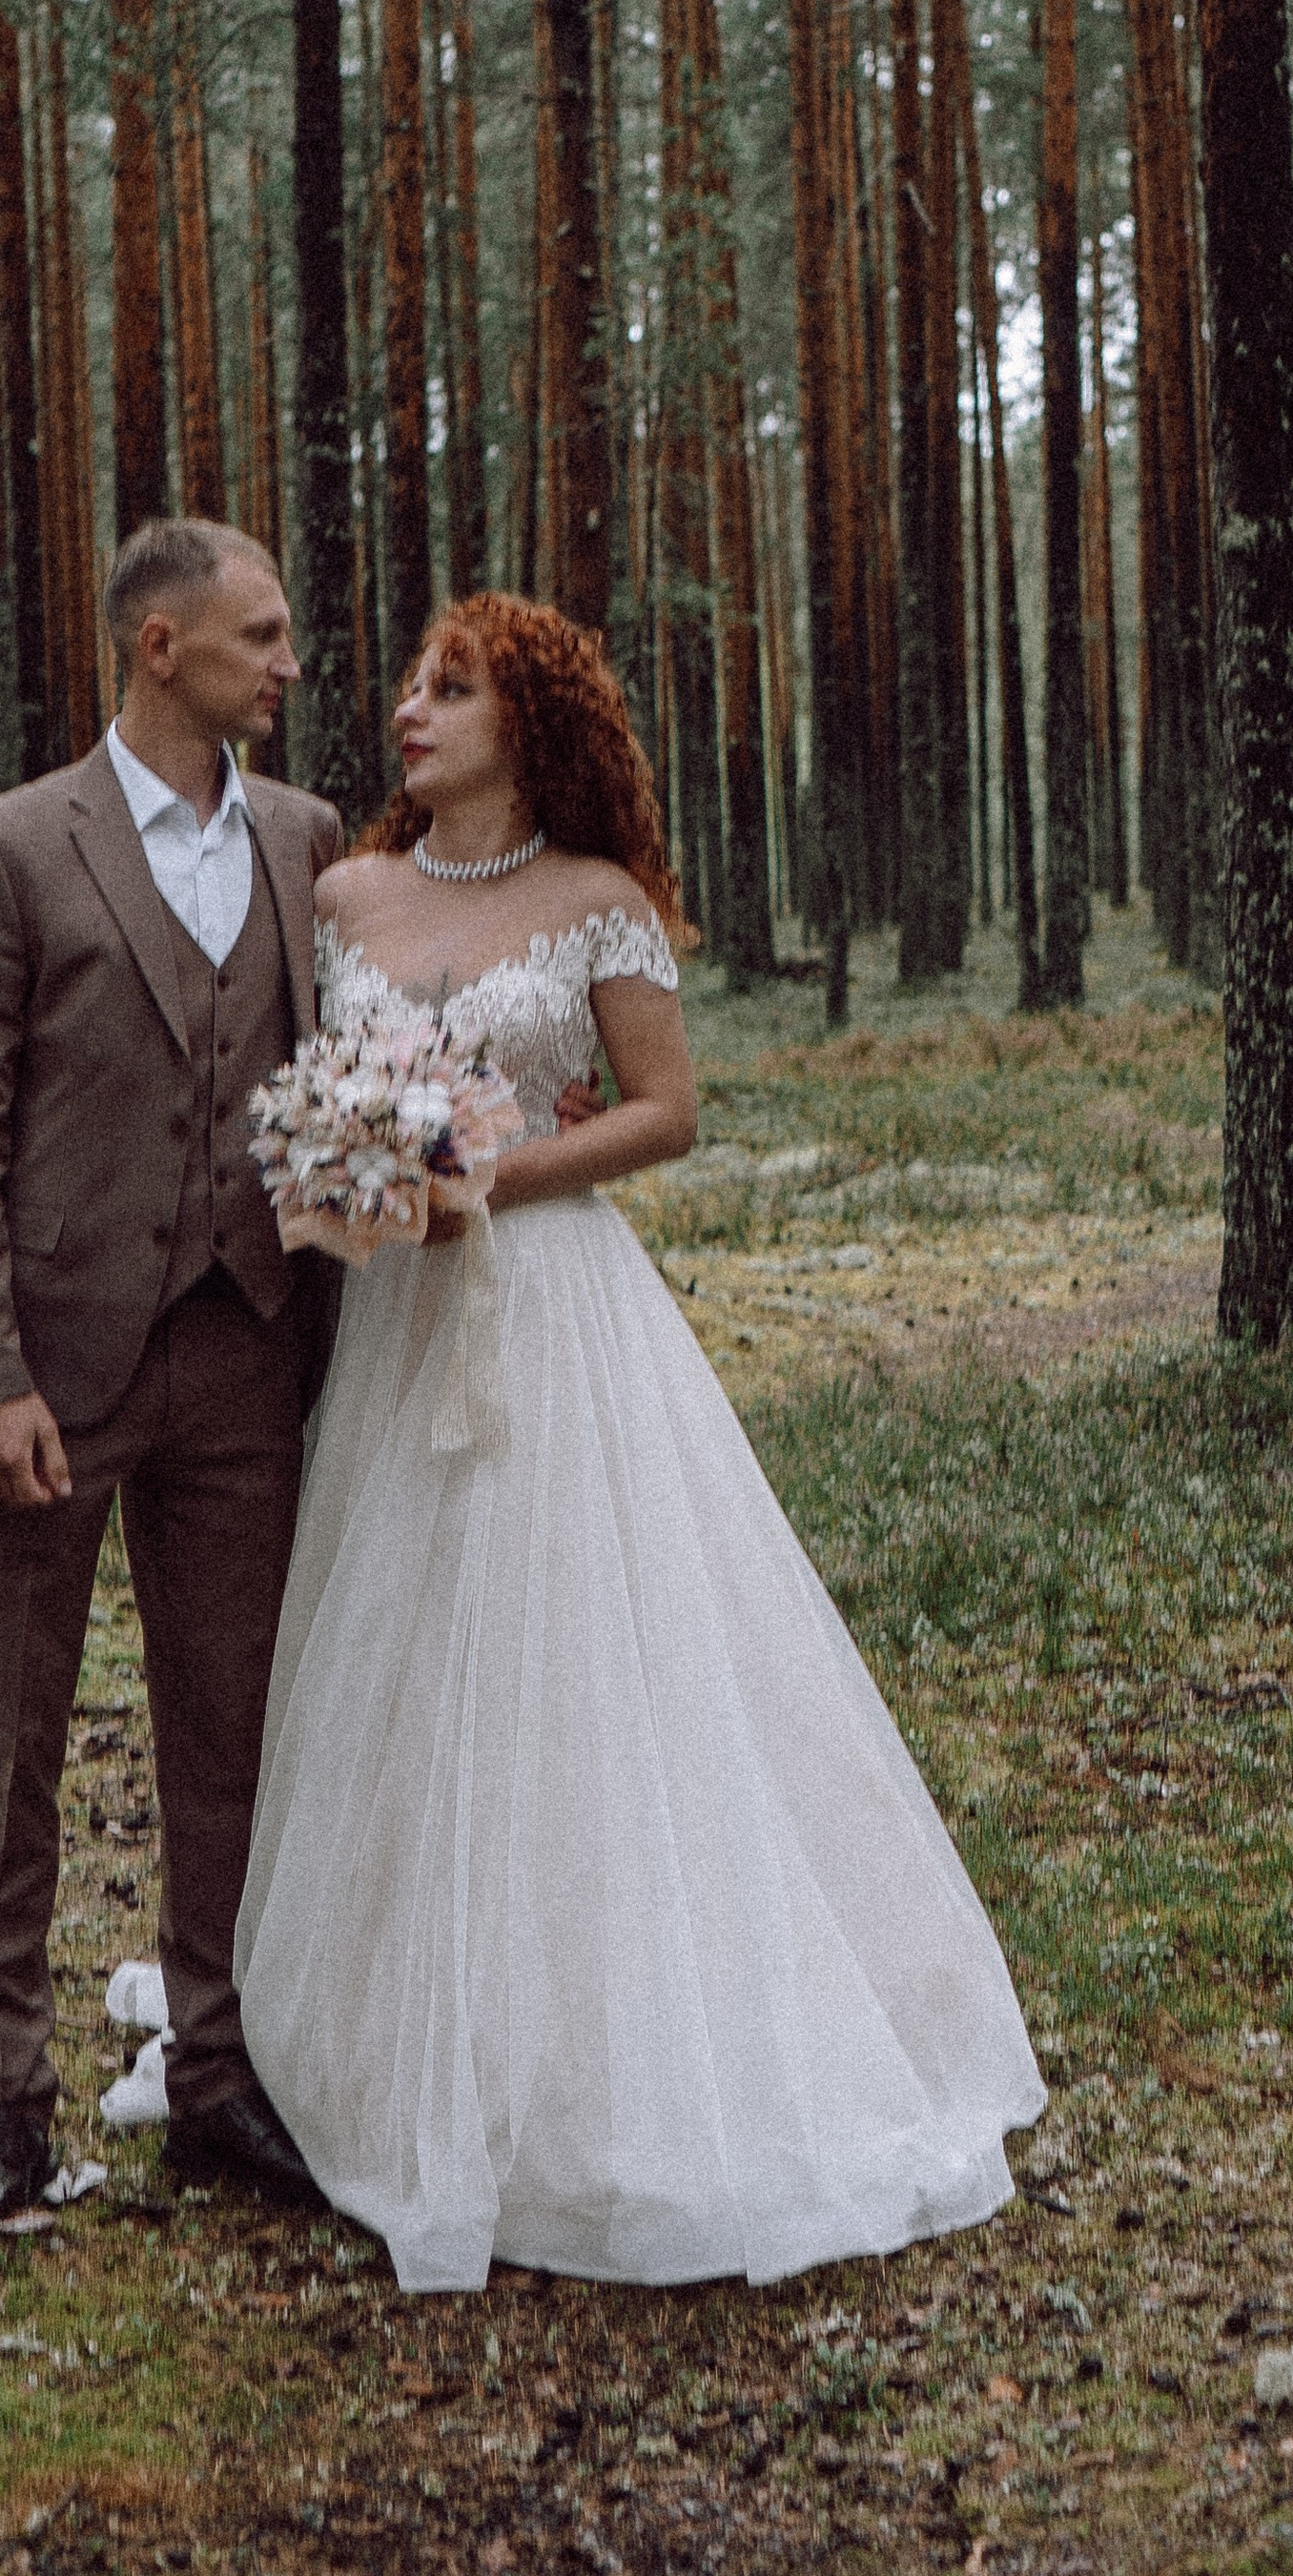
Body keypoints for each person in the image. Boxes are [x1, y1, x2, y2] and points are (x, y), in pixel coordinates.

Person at [232, 591, 1045, 2290]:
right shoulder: (345, 896)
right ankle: (382, 2030)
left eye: (454, 688)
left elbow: (669, 1112)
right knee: (396, 1649)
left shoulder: (601, 904)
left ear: (529, 724)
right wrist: (359, 1165)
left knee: (581, 1651)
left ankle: (604, 2043)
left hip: (555, 1310)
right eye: (412, 683)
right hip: (392, 1327)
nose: (411, 708)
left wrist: (487, 1175)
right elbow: (312, 1085)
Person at [0, 521, 346, 2237]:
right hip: (55, 1378)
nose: (289, 664)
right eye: (261, 635)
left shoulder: (307, 838)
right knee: (9, 1748)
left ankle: (219, 2076)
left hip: (248, 1357)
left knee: (231, 1738)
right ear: (159, 646)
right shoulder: (9, 848)